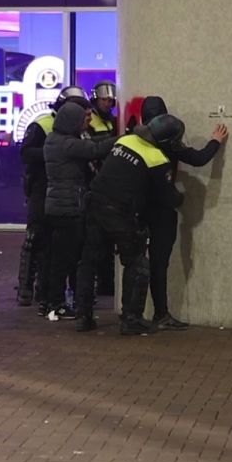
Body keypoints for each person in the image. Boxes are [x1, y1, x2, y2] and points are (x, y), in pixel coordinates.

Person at [74, 114, 185, 335]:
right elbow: (169, 197)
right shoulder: (156, 158)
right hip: (120, 212)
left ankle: (83, 316)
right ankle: (131, 319)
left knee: (89, 261)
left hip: (94, 204)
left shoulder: (125, 140)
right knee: (137, 263)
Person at [140, 96, 229, 330]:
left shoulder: (134, 140)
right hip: (162, 209)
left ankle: (133, 313)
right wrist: (215, 141)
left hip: (137, 207)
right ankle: (161, 313)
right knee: (159, 262)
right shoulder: (169, 141)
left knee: (136, 262)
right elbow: (198, 159)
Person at [16, 86, 91, 311]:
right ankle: (26, 288)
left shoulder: (82, 128)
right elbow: (26, 153)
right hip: (41, 186)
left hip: (68, 190)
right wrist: (54, 153)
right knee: (36, 239)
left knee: (60, 247)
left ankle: (53, 292)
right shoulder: (42, 125)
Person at [43, 101, 117, 319]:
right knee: (64, 259)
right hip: (67, 209)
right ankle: (56, 303)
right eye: (84, 118)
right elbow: (95, 148)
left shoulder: (56, 140)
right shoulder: (67, 144)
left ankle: (56, 301)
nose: (89, 121)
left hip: (60, 206)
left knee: (61, 257)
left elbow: (92, 143)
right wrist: (124, 137)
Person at [86, 80, 119, 296]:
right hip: (94, 183)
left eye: (110, 100)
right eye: (104, 99)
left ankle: (107, 283)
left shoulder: (112, 121)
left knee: (109, 240)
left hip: (110, 183)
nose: (107, 103)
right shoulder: (89, 121)